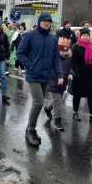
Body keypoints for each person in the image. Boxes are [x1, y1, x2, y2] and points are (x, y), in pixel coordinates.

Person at [17, 13, 63, 148]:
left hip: (46, 76)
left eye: (49, 22)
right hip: (33, 75)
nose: (47, 24)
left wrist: (60, 75)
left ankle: (30, 128)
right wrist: (30, 66)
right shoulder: (30, 36)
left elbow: (56, 58)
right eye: (44, 21)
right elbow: (20, 53)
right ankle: (30, 130)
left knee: (38, 103)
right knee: (38, 102)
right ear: (39, 22)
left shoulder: (53, 38)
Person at [44, 35, 73, 131]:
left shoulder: (69, 57)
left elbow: (72, 68)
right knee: (58, 101)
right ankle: (57, 121)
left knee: (58, 99)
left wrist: (71, 74)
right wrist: (58, 77)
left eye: (66, 49)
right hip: (53, 81)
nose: (64, 51)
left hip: (63, 83)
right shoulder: (52, 56)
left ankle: (47, 108)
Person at [71, 28, 92, 123]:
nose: (85, 37)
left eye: (87, 35)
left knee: (90, 95)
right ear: (80, 36)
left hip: (89, 74)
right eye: (84, 35)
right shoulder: (75, 46)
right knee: (77, 95)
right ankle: (75, 112)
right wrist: (76, 73)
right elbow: (73, 62)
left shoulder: (91, 46)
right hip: (79, 74)